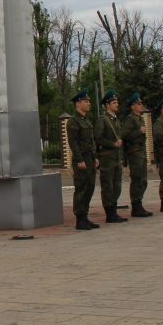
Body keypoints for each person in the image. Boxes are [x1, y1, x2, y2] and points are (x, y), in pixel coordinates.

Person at [66, 89, 100, 231]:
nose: (89, 103)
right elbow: (73, 143)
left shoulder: (86, 121)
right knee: (81, 188)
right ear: (78, 103)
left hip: (90, 158)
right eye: (86, 101)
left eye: (89, 101)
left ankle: (85, 217)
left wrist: (95, 157)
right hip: (82, 159)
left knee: (90, 187)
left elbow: (91, 141)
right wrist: (79, 159)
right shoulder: (73, 122)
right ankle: (80, 219)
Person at [94, 89, 127, 223]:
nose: (116, 104)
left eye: (117, 102)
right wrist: (112, 144)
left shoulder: (115, 120)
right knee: (108, 186)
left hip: (116, 158)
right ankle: (110, 213)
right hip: (107, 158)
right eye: (114, 102)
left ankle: (114, 210)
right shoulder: (103, 120)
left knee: (117, 185)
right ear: (107, 105)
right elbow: (98, 138)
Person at [119, 93, 153, 218]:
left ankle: (139, 203)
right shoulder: (130, 119)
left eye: (141, 104)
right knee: (137, 179)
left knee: (143, 180)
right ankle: (136, 205)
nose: (141, 106)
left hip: (141, 151)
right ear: (133, 106)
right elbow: (124, 135)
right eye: (138, 104)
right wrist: (139, 131)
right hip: (134, 152)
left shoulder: (140, 118)